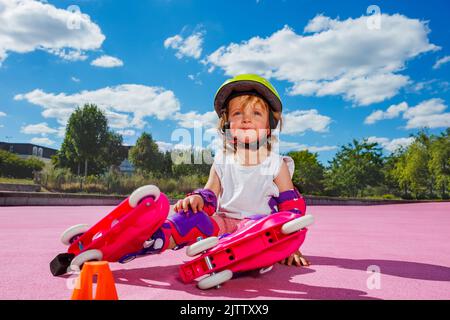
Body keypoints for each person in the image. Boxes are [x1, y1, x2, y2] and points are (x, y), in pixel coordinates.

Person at [130, 74, 310, 267]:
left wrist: (291, 245)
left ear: (268, 128)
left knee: (260, 226)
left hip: (258, 230)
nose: (246, 119)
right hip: (223, 224)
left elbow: (291, 209)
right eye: (238, 113)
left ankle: (234, 251)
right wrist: (197, 200)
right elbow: (210, 195)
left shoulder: (276, 164)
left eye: (256, 114)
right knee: (191, 219)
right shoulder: (222, 161)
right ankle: (150, 239)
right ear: (227, 126)